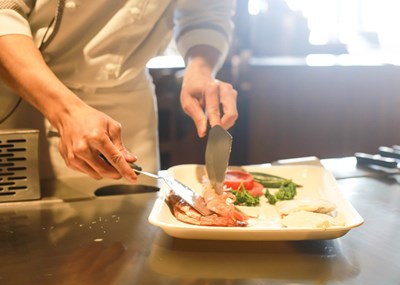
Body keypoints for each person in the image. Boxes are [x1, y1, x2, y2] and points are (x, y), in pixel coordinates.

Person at [0, 0, 238, 182]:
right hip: (28, 90)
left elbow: (207, 15)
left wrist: (201, 68)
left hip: (128, 102)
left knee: (136, 230)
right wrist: (65, 112)